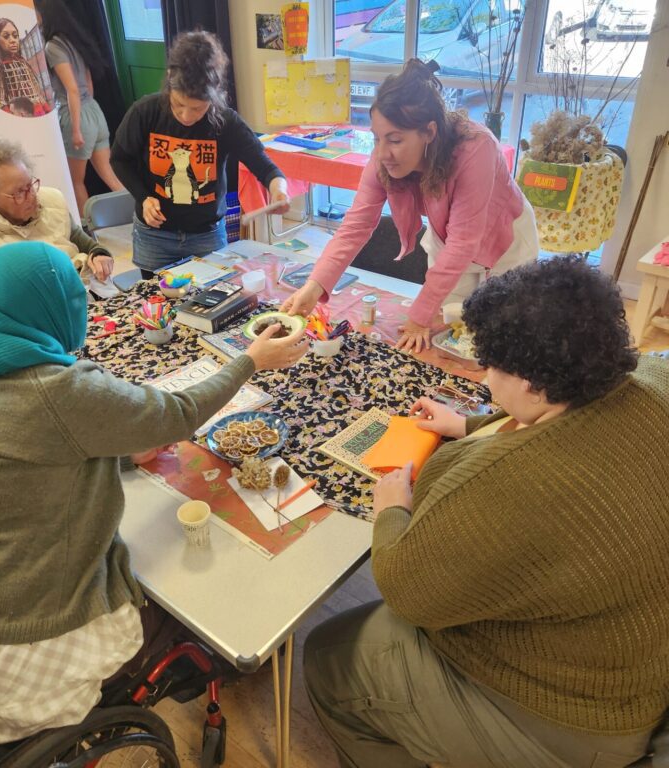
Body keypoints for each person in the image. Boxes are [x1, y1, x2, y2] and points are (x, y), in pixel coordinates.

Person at [0, 241, 307, 743]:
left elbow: (23, 449)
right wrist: (249, 361)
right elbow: (178, 414)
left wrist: (119, 454)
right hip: (13, 635)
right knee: (182, 582)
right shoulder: (57, 389)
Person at [303, 256, 669, 768]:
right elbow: (560, 422)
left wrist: (392, 511)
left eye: (491, 365)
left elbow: (409, 593)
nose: (484, 373)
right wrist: (472, 425)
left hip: (580, 719)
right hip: (633, 662)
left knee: (329, 655)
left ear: (533, 385)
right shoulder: (653, 377)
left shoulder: (512, 485)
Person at [282, 59, 539, 354]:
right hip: (450, 240)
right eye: (377, 139)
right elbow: (355, 225)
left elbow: (464, 243)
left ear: (429, 132)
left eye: (395, 140)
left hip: (505, 242)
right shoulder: (383, 158)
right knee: (450, 334)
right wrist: (314, 286)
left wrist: (418, 317)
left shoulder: (476, 148)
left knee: (501, 335)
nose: (383, 153)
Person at [111, 30, 289, 281]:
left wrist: (279, 190)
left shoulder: (226, 122)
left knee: (211, 298)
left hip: (207, 235)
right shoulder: (145, 112)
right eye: (178, 104)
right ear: (169, 80)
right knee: (156, 301)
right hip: (155, 236)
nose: (186, 116)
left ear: (213, 94)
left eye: (197, 108)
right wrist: (144, 197)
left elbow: (265, 167)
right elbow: (119, 159)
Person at [0, 137, 115, 294]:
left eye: (30, 185)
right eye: (18, 193)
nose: (31, 196)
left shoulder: (51, 203)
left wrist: (100, 255)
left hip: (81, 298)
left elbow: (89, 246)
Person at [35, 0, 125, 216]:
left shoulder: (52, 47)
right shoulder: (75, 41)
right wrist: (88, 111)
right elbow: (88, 82)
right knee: (111, 176)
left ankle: (86, 228)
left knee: (76, 182)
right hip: (94, 110)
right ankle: (135, 213)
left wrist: (76, 129)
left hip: (76, 116)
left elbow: (72, 89)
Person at [0, 18, 52, 116]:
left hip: (38, 110)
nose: (12, 40)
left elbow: (36, 89)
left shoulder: (23, 63)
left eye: (15, 36)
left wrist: (47, 108)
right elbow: (2, 99)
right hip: (19, 113)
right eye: (6, 36)